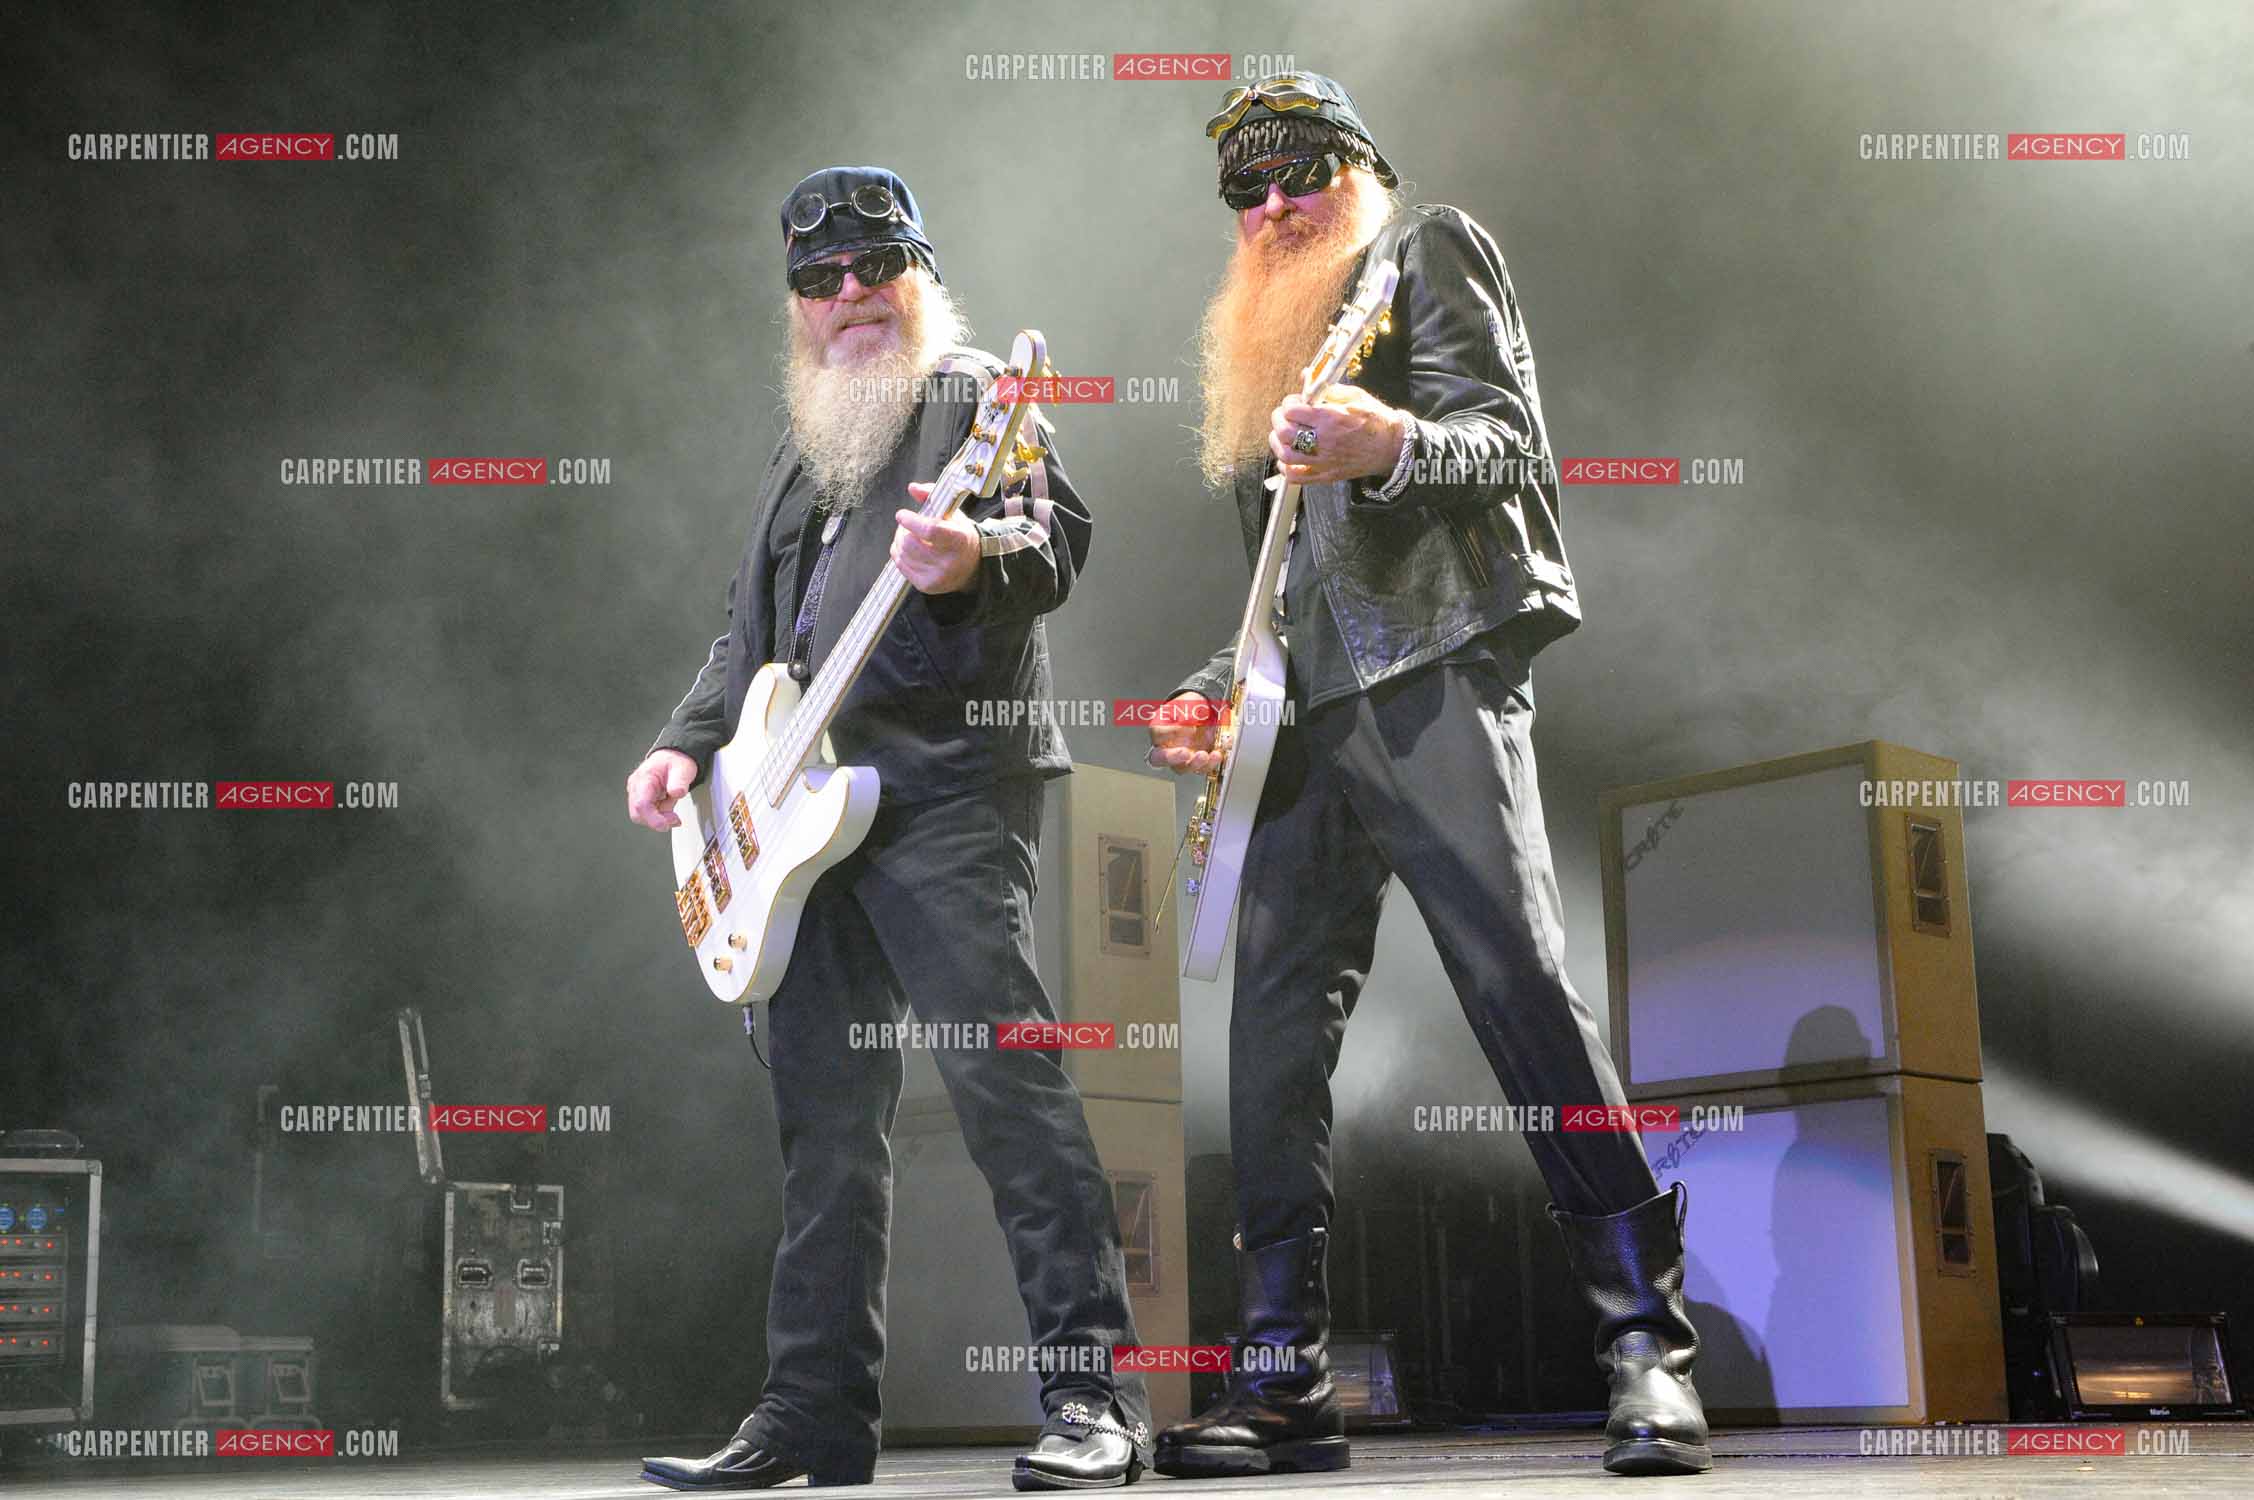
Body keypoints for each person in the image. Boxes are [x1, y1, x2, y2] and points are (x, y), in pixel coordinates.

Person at [1145, 76, 1712, 1478]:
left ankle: (1648, 1349)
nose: (1272, 202)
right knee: (1265, 1051)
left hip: (1435, 679)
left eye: (1297, 171)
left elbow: (1509, 444)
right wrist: (1217, 694)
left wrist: (1388, 441)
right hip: (1299, 730)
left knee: (1518, 993)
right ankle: (1280, 1384)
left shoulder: (1426, 250)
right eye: (1245, 189)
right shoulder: (1259, 348)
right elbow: (1277, 591)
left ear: (1358, 166)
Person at [627, 165, 1151, 1491]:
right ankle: (813, 1417)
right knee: (821, 1122)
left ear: (917, 272)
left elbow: (1051, 540)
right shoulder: (805, 446)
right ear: (795, 305)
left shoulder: (974, 395)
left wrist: (972, 563)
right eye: (819, 280)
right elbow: (751, 643)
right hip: (797, 822)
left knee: (1004, 1085)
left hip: (942, 790)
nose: (849, 297)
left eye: (874, 268)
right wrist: (685, 747)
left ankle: (1095, 1397)